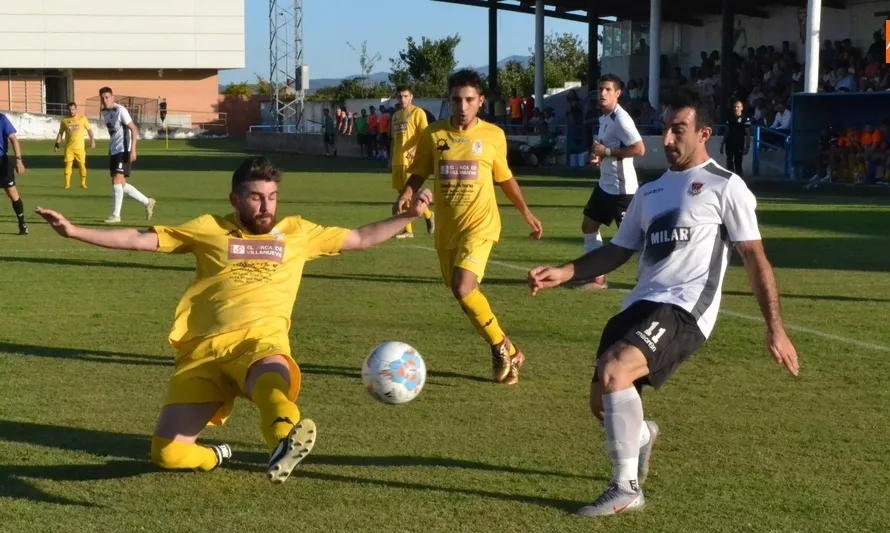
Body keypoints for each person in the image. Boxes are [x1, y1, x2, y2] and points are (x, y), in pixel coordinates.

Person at [35, 156, 434, 483]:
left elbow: (360, 237)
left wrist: (410, 217)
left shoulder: (298, 233)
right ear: (235, 198)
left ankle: (283, 440)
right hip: (203, 355)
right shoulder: (209, 230)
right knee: (167, 454)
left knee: (270, 382)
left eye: (273, 197)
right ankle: (215, 456)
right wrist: (74, 232)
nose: (267, 207)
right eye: (257, 198)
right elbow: (141, 239)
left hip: (260, 344)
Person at [527, 88, 799, 517]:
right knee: (603, 402)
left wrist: (775, 328)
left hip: (686, 307)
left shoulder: (726, 187)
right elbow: (617, 251)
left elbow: (754, 257)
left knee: (617, 369)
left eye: (679, 130)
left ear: (704, 133)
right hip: (640, 303)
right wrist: (565, 272)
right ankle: (643, 436)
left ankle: (625, 489)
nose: (668, 139)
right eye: (666, 130)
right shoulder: (650, 193)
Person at [394, 69, 543, 385]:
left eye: (469, 100)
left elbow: (504, 178)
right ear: (448, 101)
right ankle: (511, 350)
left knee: (464, 286)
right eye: (456, 100)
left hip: (481, 224)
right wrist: (407, 192)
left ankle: (499, 346)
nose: (462, 106)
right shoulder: (433, 135)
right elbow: (420, 172)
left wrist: (526, 212)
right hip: (448, 228)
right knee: (464, 295)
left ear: (481, 102)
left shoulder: (493, 136)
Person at [578, 74, 646, 290]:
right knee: (588, 225)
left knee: (634, 240)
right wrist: (599, 157)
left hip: (622, 191)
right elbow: (607, 149)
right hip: (605, 186)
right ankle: (596, 275)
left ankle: (653, 277)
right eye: (600, 89)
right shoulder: (605, 118)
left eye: (607, 89)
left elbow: (639, 149)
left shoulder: (621, 119)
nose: (602, 93)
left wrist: (607, 151)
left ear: (618, 93)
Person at [99, 87, 156, 223]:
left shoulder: (121, 111)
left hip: (124, 150)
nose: (105, 100)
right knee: (122, 184)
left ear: (113, 97)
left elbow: (133, 128)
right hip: (114, 150)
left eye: (107, 97)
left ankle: (116, 215)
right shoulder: (105, 112)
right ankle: (147, 201)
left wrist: (133, 150)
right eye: (102, 98)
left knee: (116, 181)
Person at [390, 85, 435, 239]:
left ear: (411, 97)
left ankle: (409, 229)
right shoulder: (395, 116)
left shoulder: (418, 113)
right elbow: (394, 139)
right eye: (400, 96)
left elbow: (426, 134)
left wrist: (416, 150)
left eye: (405, 96)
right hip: (397, 159)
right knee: (403, 196)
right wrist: (391, 158)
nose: (402, 99)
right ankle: (427, 216)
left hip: (410, 161)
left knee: (408, 195)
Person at [54, 102, 96, 190]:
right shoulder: (64, 120)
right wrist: (57, 143)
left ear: (76, 109)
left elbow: (89, 131)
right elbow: (60, 133)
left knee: (82, 166)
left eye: (73, 109)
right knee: (68, 166)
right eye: (69, 109)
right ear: (67, 110)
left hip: (80, 148)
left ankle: (83, 183)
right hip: (69, 148)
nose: (71, 111)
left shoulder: (82, 119)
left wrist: (92, 141)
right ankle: (67, 184)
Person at [0, 112, 28, 235]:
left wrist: (19, 160)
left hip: (2, 162)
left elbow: (14, 139)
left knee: (12, 192)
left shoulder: (1, 119)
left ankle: (22, 223)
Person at [719, 99, 751, 176]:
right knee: (729, 162)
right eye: (734, 107)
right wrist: (722, 144)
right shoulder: (730, 119)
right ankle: (730, 181)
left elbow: (748, 133)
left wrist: (747, 146)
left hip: (739, 144)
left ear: (742, 108)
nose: (736, 108)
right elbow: (726, 131)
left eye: (738, 107)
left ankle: (739, 182)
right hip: (729, 144)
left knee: (738, 164)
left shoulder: (745, 119)